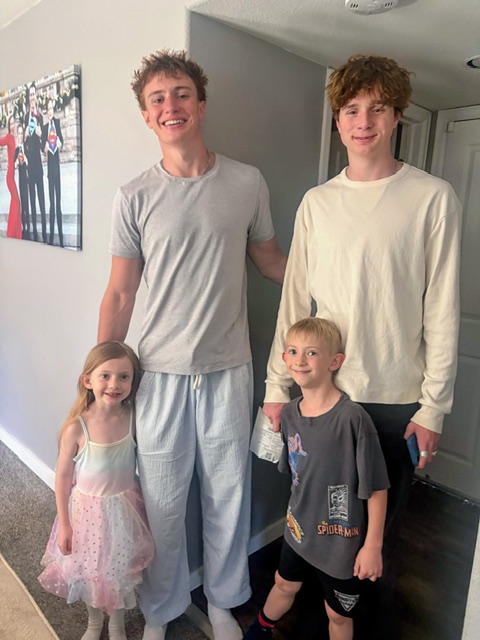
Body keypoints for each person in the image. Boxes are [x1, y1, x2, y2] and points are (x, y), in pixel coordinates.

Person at [263, 54, 461, 638]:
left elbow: (442, 308)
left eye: (377, 108)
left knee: (373, 535)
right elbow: (295, 301)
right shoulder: (317, 203)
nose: (364, 121)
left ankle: (356, 620)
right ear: (338, 120)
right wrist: (277, 384)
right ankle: (304, 613)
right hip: (320, 395)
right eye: (351, 110)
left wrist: (434, 407)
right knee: (315, 516)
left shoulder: (432, 197)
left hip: (396, 400)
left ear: (397, 115)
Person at [97, 50, 287, 640]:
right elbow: (121, 292)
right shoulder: (133, 195)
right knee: (162, 501)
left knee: (229, 494)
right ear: (147, 116)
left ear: (200, 105)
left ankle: (225, 601)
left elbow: (271, 262)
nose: (170, 105)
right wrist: (100, 381)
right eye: (157, 99)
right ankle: (161, 609)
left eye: (181, 93)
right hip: (158, 375)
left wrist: (336, 278)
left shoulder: (247, 181)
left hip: (229, 369)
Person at [244, 317, 389, 640]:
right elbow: (297, 474)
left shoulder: (353, 419)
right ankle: (260, 629)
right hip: (298, 529)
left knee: (337, 614)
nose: (300, 360)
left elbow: (377, 487)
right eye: (293, 351)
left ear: (334, 362)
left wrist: (372, 546)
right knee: (284, 583)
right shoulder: (289, 414)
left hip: (341, 540)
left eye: (311, 353)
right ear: (284, 358)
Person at [38, 342, 155, 640]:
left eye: (124, 377)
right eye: (105, 376)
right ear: (88, 380)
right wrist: (65, 525)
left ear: (133, 381)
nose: (114, 385)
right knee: (89, 572)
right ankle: (94, 622)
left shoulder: (134, 418)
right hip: (86, 517)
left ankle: (116, 624)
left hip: (123, 513)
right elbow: (63, 477)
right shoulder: (76, 428)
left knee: (119, 571)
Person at [24, 81, 47, 243]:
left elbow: (45, 144)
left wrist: (40, 134)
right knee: (31, 198)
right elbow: (22, 142)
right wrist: (25, 134)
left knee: (41, 198)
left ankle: (45, 232)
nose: (32, 97)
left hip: (38, 162)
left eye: (33, 94)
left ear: (36, 97)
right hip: (29, 163)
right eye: (30, 95)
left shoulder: (40, 117)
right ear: (28, 98)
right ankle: (33, 233)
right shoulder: (26, 117)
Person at [42, 97, 64, 246]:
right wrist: (44, 148)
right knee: (51, 204)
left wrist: (60, 143)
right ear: (46, 112)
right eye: (48, 109)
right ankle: (50, 237)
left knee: (58, 205)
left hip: (57, 169)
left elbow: (61, 141)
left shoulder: (57, 123)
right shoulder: (45, 128)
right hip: (50, 170)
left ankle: (61, 238)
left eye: (51, 109)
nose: (49, 112)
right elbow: (42, 149)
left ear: (53, 110)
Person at [0, 114, 22, 239]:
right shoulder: (9, 137)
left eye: (14, 123)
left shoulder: (14, 138)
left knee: (15, 202)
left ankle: (15, 232)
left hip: (13, 176)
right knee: (16, 202)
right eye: (11, 124)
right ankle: (12, 233)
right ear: (8, 125)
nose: (12, 126)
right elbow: (0, 141)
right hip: (9, 177)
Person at [14, 123, 31, 239]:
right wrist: (16, 162)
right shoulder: (16, 150)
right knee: (23, 202)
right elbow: (14, 166)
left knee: (28, 202)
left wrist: (26, 159)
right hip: (21, 180)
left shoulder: (27, 147)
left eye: (21, 133)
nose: (20, 136)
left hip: (29, 178)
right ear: (17, 135)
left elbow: (31, 163)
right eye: (19, 133)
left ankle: (29, 226)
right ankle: (24, 226)